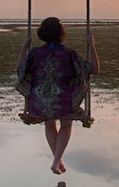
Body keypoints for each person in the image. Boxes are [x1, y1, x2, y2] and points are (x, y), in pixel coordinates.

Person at [17, 17, 100, 174]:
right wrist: (91, 45)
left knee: (49, 122)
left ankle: (58, 160)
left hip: (39, 103)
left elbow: (20, 71)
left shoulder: (35, 53)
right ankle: (56, 161)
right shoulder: (68, 53)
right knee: (66, 123)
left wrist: (24, 47)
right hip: (62, 102)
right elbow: (94, 69)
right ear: (61, 33)